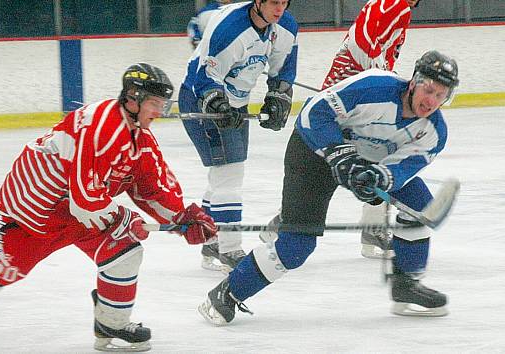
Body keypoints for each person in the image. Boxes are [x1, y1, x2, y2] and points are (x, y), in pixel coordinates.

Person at [0, 63, 218, 352]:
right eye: (155, 102)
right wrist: (125, 216)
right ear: (132, 99)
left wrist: (182, 218)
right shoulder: (102, 126)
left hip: (77, 213)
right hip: (31, 215)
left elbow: (149, 188)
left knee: (124, 252)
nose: (160, 111)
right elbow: (85, 198)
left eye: (162, 103)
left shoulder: (139, 138)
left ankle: (111, 325)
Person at [198, 50, 460, 325]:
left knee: (419, 204)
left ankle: (406, 284)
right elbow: (313, 113)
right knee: (297, 246)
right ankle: (227, 293)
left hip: (366, 161)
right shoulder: (373, 86)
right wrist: (339, 153)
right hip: (315, 154)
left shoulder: (434, 132)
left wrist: (378, 179)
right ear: (414, 81)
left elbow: (403, 167)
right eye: (428, 90)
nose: (431, 101)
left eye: (440, 95)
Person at [179, 0, 298, 273]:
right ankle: (229, 248)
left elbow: (283, 70)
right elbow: (204, 78)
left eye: (284, 2)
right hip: (199, 99)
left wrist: (277, 97)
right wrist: (218, 103)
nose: (279, 9)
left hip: (236, 101)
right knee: (229, 174)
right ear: (258, 1)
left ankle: (212, 239)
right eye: (273, 2)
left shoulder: (286, 26)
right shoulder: (230, 27)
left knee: (224, 174)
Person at [322, 0, 424, 259]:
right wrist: (379, 81)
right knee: (379, 156)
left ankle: (284, 224)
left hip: (350, 92)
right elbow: (361, 41)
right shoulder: (395, 3)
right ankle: (372, 231)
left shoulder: (394, 6)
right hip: (356, 95)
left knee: (337, 163)